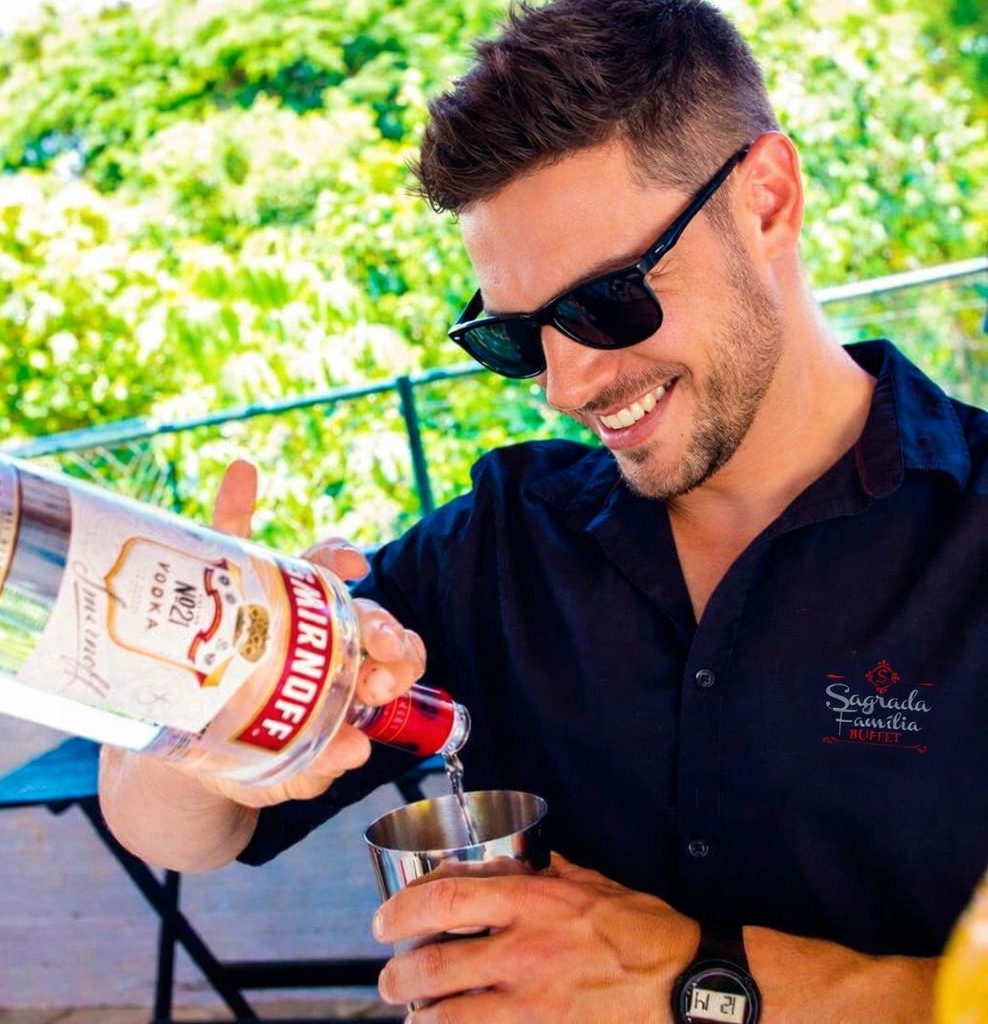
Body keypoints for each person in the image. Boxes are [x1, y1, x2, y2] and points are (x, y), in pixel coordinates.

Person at [99, 0, 988, 1020]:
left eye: (606, 302)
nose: (566, 386)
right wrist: (203, 721)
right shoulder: (500, 545)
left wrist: (691, 981)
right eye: (515, 338)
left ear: (768, 200)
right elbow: (174, 828)